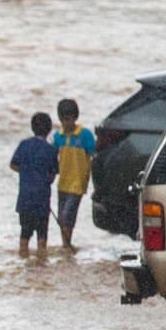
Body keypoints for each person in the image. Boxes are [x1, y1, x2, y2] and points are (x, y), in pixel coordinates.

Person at [10, 111, 58, 259]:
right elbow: (53, 174)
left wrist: (25, 172)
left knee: (24, 234)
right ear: (49, 129)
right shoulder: (51, 150)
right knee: (42, 237)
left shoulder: (24, 145)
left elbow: (13, 165)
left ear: (32, 128)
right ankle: (41, 265)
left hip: (25, 198)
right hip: (42, 199)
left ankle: (24, 259)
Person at [50, 97, 95, 251]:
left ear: (75, 118)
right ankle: (66, 244)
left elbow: (93, 155)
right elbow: (53, 157)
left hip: (77, 182)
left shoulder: (85, 135)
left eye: (69, 119)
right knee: (62, 215)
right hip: (62, 181)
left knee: (68, 214)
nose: (66, 123)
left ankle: (66, 245)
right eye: (63, 120)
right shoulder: (57, 136)